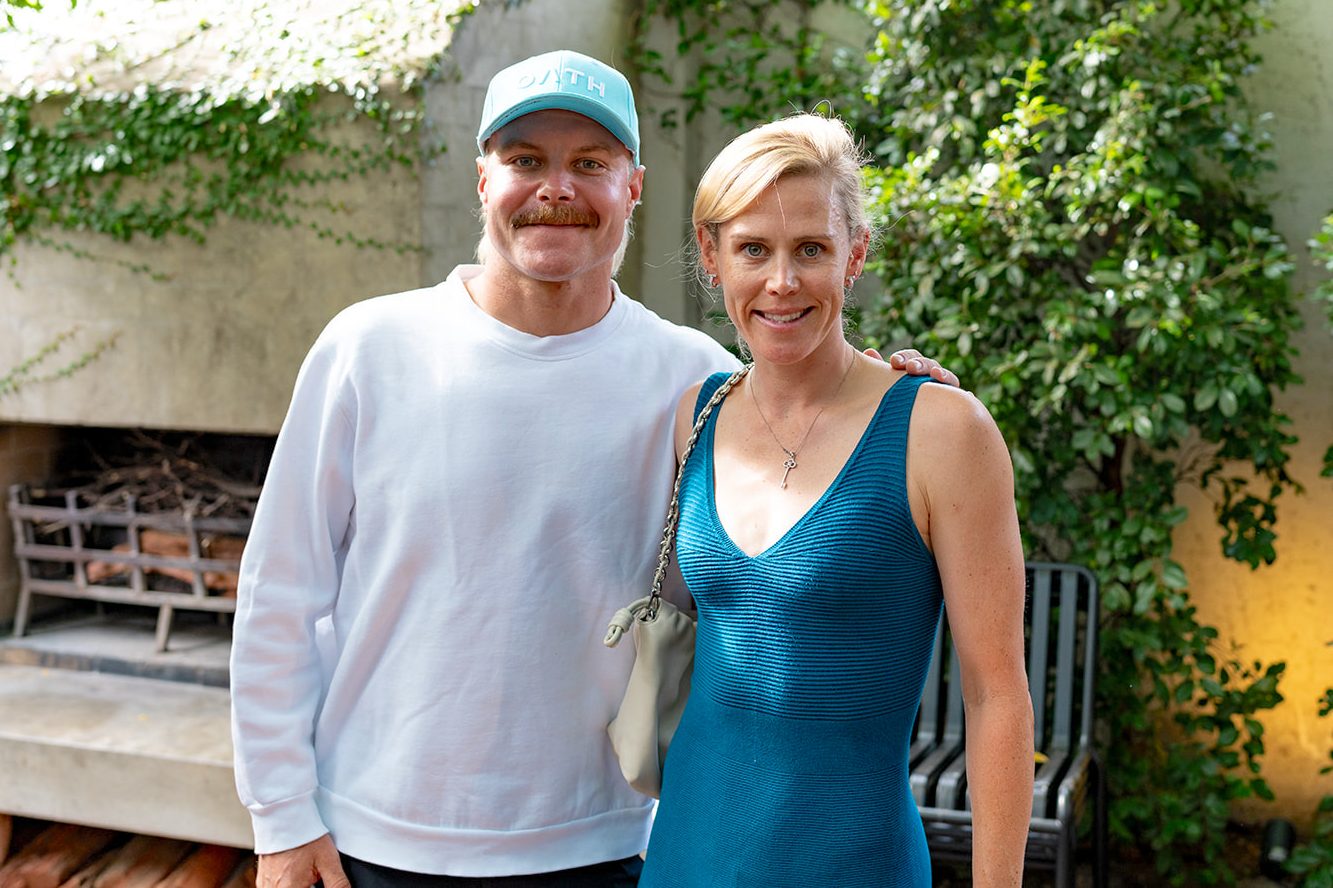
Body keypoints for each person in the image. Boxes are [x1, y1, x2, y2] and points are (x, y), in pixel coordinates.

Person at [230, 51, 954, 888]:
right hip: (376, 837)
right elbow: (280, 590)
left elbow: (811, 422)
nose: (555, 188)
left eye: (590, 164)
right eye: (526, 160)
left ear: (633, 189)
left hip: (608, 846)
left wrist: (902, 392)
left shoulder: (695, 380)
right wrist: (281, 819)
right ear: (482, 178)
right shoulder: (369, 347)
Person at [637, 113, 1035, 887]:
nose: (780, 282)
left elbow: (997, 696)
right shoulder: (697, 414)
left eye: (810, 249)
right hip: (685, 852)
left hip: (850, 860)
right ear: (711, 257)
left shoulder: (941, 431)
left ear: (854, 255)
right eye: (752, 248)